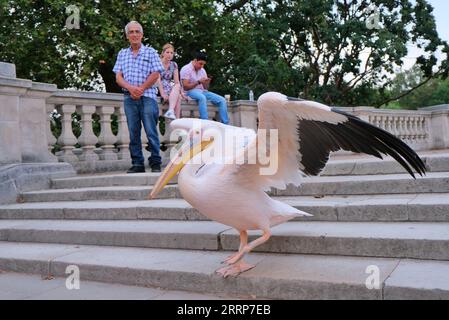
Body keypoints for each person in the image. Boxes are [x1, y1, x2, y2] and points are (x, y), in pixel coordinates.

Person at [113, 21, 164, 173]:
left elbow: (156, 73)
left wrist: (141, 89)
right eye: (131, 32)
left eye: (137, 32)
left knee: (151, 131)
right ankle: (137, 164)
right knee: (133, 131)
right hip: (129, 98)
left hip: (148, 96)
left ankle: (155, 162)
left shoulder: (151, 52)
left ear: (141, 35)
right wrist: (131, 88)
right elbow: (118, 77)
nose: (134, 34)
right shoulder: (122, 53)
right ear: (127, 36)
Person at [180, 52, 229, 124]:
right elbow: (185, 87)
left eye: (203, 64)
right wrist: (198, 82)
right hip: (189, 92)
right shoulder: (186, 69)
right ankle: (205, 122)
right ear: (195, 60)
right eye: (200, 64)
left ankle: (225, 124)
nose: (202, 66)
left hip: (202, 91)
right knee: (202, 97)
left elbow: (206, 88)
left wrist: (207, 82)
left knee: (222, 100)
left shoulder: (202, 70)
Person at [157, 43, 187, 120]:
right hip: (158, 86)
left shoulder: (174, 65)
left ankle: (172, 113)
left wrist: (182, 92)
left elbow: (176, 82)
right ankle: (176, 118)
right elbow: (158, 80)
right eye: (167, 52)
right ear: (163, 53)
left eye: (171, 53)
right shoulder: (158, 63)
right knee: (178, 97)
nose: (169, 54)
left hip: (168, 86)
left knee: (179, 93)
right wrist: (163, 94)